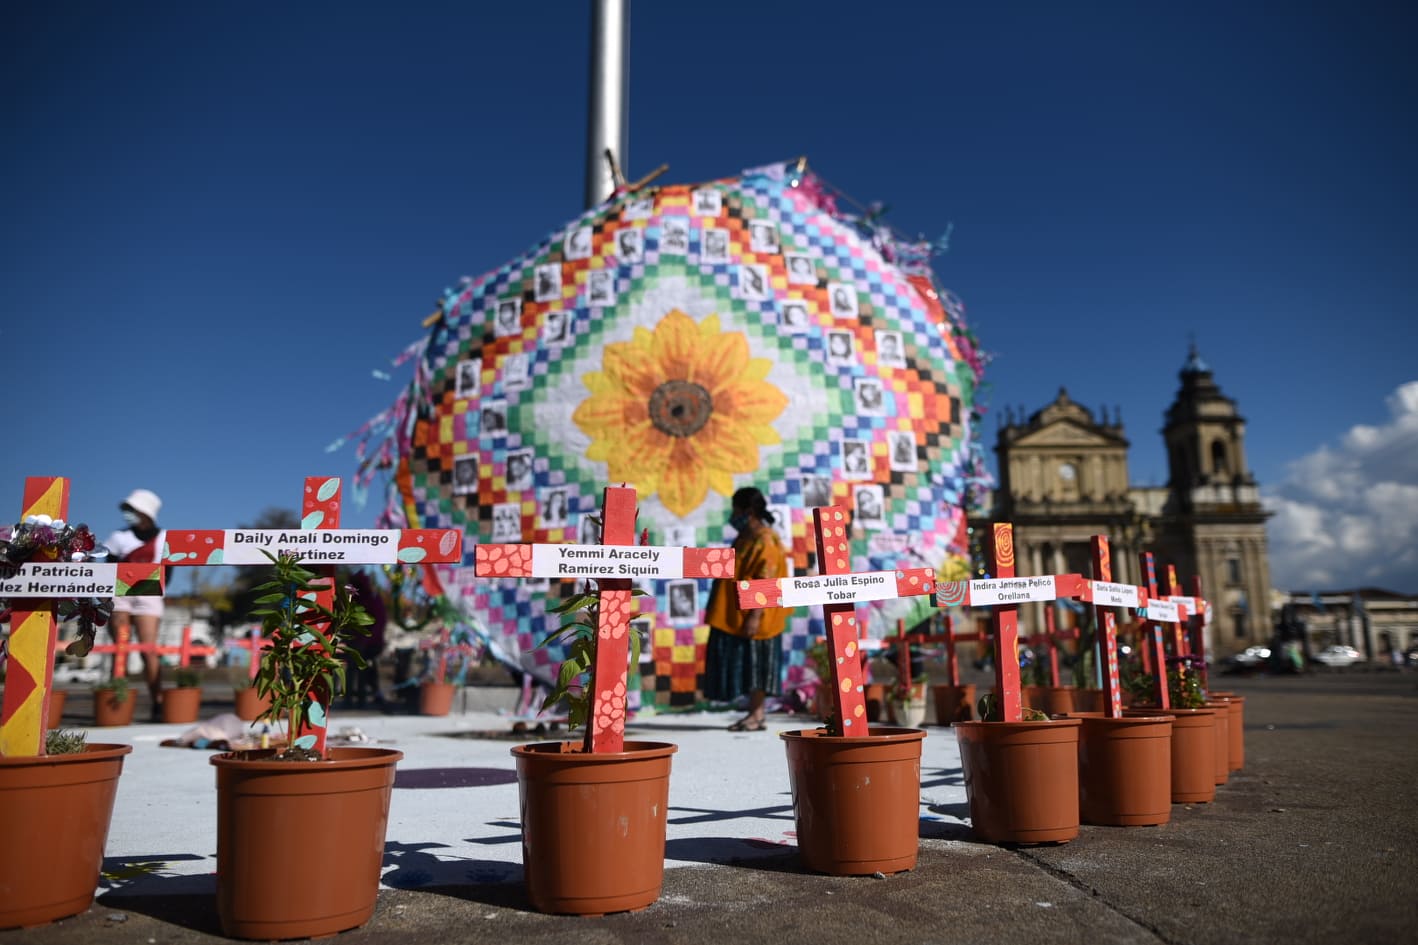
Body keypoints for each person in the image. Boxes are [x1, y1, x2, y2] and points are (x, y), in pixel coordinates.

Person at [703, 487, 792, 732]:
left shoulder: (765, 539)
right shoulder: (745, 536)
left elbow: (766, 581)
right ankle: (754, 714)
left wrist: (755, 616)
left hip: (756, 615)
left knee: (758, 665)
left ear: (748, 511)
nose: (733, 515)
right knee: (746, 663)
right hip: (736, 613)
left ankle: (757, 714)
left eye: (736, 509)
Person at [105, 489, 167, 720]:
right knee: (119, 647)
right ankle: (115, 705)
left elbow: (168, 570)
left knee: (148, 649)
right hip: (120, 594)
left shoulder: (163, 539)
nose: (129, 515)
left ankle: (157, 701)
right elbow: (106, 568)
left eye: (133, 510)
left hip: (149, 594)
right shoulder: (117, 538)